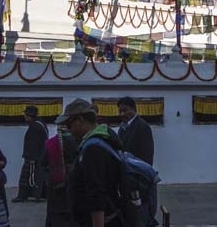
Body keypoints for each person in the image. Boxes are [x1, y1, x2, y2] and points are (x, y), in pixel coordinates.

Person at [57, 98, 132, 227]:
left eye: (69, 125)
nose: (68, 130)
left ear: (80, 120)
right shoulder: (104, 136)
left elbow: (96, 193)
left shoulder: (93, 148)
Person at [117, 96, 156, 227]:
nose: (122, 114)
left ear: (134, 109)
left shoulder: (142, 127)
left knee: (140, 217)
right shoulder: (123, 128)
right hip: (126, 181)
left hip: (138, 181)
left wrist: (139, 183)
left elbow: (146, 159)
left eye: (125, 110)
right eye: (120, 111)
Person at [41, 124, 79, 227]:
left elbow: (42, 161)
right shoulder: (76, 141)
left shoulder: (51, 143)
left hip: (55, 180)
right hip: (73, 178)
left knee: (56, 210)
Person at [15, 105, 49, 202]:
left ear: (29, 116)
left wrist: (31, 159)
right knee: (37, 176)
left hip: (33, 157)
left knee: (27, 176)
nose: (24, 117)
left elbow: (33, 144)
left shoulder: (35, 126)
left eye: (25, 115)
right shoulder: (41, 124)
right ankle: (40, 194)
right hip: (40, 156)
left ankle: (22, 195)